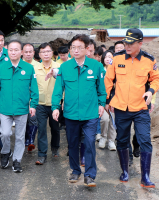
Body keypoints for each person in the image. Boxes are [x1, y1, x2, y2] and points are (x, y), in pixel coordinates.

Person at [104, 28, 159, 188]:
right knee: (122, 140)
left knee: (145, 140)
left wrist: (150, 91)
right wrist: (108, 100)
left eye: (130, 43)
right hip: (121, 108)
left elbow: (156, 79)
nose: (126, 46)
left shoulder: (149, 60)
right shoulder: (117, 58)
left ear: (140, 43)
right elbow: (108, 80)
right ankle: (125, 172)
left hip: (141, 108)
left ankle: (146, 177)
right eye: (125, 42)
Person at [52, 34, 106, 187]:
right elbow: (58, 90)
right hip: (71, 113)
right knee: (73, 144)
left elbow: (101, 89)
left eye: (79, 48)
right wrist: (56, 107)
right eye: (73, 48)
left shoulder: (96, 66)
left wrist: (101, 104)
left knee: (89, 143)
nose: (76, 50)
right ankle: (75, 170)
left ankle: (89, 175)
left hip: (90, 114)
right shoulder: (65, 67)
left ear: (87, 49)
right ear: (70, 50)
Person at [0, 40, 39, 173]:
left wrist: (33, 105)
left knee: (19, 136)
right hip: (5, 108)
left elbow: (34, 89)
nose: (13, 52)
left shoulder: (28, 68)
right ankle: (5, 152)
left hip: (22, 108)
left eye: (16, 49)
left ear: (21, 52)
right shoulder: (1, 67)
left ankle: (17, 160)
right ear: (8, 51)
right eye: (11, 49)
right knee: (5, 133)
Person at [34, 43, 61, 165]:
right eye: (43, 52)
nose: (46, 54)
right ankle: (42, 154)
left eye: (48, 51)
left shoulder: (59, 67)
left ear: (52, 53)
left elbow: (63, 86)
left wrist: (63, 101)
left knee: (55, 128)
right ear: (39, 54)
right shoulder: (34, 68)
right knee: (42, 129)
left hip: (54, 104)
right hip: (40, 104)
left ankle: (55, 148)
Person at [97, 50, 117, 150]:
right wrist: (104, 102)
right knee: (104, 119)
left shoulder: (116, 70)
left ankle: (111, 140)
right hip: (102, 101)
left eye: (110, 56)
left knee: (113, 121)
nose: (108, 58)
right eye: (106, 57)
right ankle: (103, 137)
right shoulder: (100, 70)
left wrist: (111, 102)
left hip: (114, 101)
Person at [22, 43, 39, 151]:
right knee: (23, 121)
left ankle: (31, 141)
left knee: (33, 119)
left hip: (33, 98)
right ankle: (25, 139)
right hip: (22, 98)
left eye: (30, 52)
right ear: (22, 53)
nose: (28, 54)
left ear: (34, 53)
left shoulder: (38, 66)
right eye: (26, 52)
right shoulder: (18, 65)